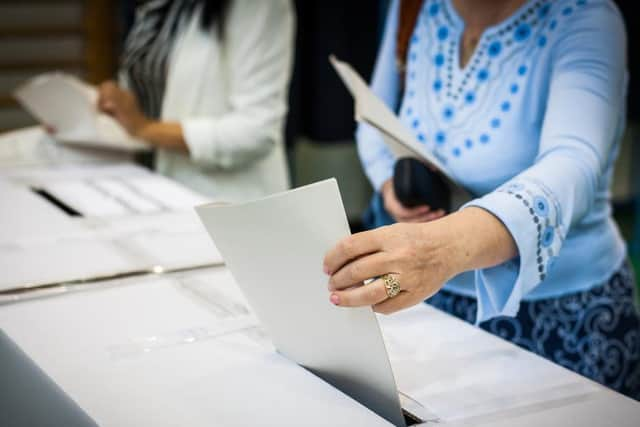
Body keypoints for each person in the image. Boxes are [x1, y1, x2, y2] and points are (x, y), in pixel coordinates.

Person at [324, 0, 640, 400]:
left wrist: (442, 247)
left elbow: (573, 162)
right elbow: (372, 110)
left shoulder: (586, 17)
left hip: (560, 316)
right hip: (432, 305)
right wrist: (391, 184)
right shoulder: (414, 8)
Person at [96, 0, 294, 201]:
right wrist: (116, 99)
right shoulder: (158, 7)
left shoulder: (258, 6)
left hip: (226, 199)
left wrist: (144, 128)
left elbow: (256, 131)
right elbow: (151, 82)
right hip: (154, 185)